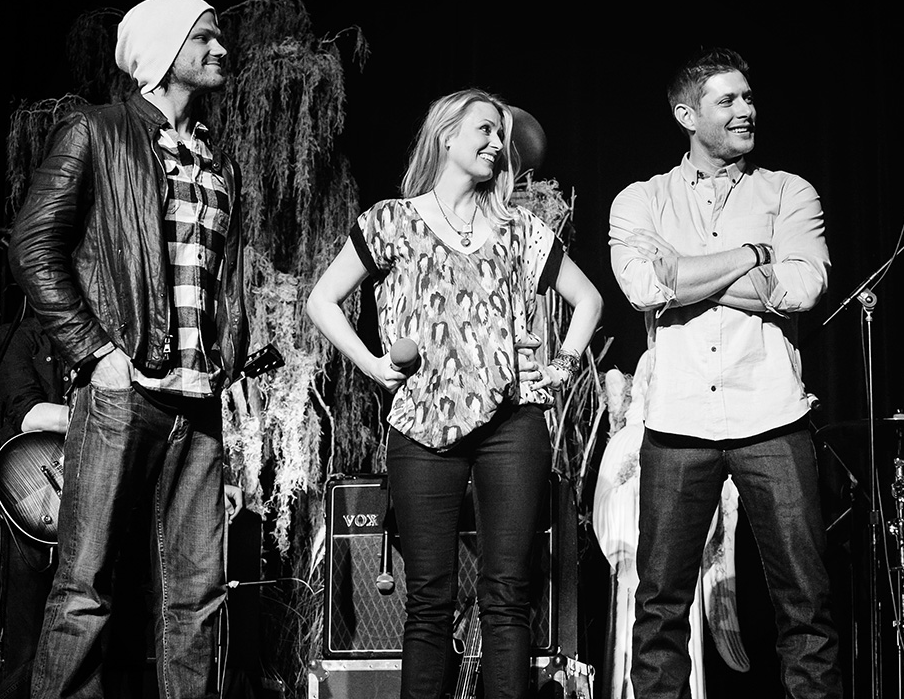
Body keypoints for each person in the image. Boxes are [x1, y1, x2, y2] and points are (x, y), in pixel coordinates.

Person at [305, 88, 602, 699]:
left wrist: (562, 365)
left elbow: (588, 299)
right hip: (422, 424)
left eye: (501, 135)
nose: (497, 143)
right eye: (485, 129)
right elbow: (322, 300)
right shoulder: (391, 220)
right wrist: (372, 365)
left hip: (512, 424)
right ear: (446, 135)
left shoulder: (520, 229)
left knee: (506, 597)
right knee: (429, 601)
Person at [7, 0, 248, 699]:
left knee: (197, 597)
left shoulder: (219, 161)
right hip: (123, 393)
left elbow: (219, 279)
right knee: (85, 589)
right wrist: (96, 353)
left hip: (200, 403)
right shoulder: (98, 131)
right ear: (164, 51)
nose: (220, 49)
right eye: (204, 37)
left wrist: (227, 359)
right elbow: (33, 246)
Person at [608, 48, 841, 699]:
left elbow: (801, 287)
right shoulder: (641, 199)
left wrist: (685, 271)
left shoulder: (789, 192)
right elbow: (643, 287)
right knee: (659, 607)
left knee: (806, 604)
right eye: (728, 100)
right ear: (687, 115)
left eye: (749, 97)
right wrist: (755, 254)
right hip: (677, 421)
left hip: (771, 415)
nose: (747, 110)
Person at [0, 314, 69, 699]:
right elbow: (29, 415)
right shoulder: (19, 336)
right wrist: (99, 415)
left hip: (88, 497)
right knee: (26, 639)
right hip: (31, 496)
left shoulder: (105, 343)